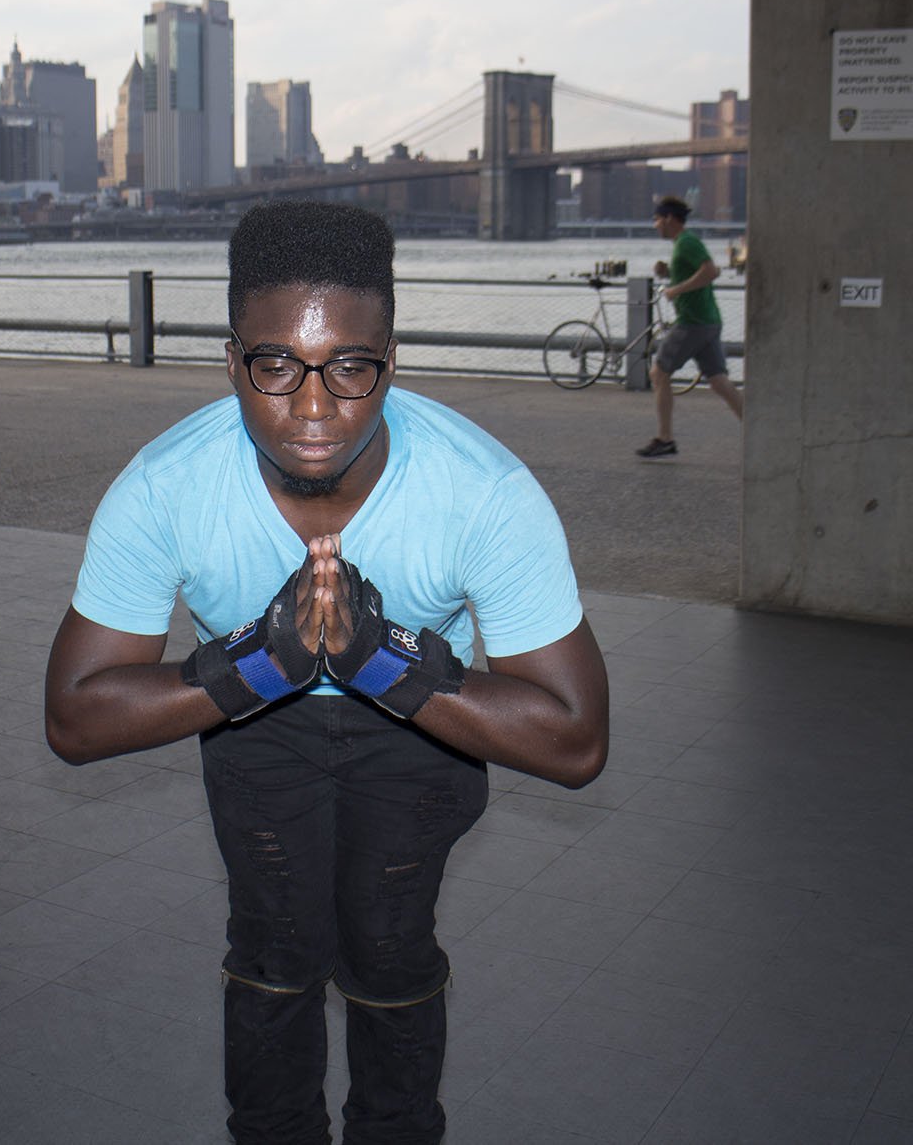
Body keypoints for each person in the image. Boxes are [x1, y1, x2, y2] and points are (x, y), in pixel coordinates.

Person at [45, 200, 609, 1145]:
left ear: (391, 361)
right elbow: (73, 718)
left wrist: (379, 662)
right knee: (274, 947)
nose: (313, 408)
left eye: (351, 367)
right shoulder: (164, 486)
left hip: (419, 733)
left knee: (388, 950)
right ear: (233, 361)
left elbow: (577, 740)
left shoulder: (484, 492)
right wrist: (252, 668)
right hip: (257, 732)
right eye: (276, 366)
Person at [636, 195, 742, 458]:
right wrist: (668, 272)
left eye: (657, 219)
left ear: (670, 218)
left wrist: (675, 290)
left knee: (658, 373)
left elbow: (710, 271)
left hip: (693, 322)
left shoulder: (686, 242)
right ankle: (758, 429)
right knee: (718, 382)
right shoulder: (683, 244)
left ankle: (665, 438)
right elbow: (697, 272)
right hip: (708, 321)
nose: (655, 225)